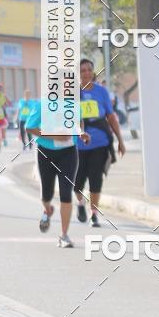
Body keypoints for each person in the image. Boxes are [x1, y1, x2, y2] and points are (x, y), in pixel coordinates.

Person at [25, 100, 90, 248]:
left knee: (66, 191)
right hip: (45, 152)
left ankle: (64, 235)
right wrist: (54, 136)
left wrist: (81, 134)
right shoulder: (41, 104)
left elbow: (77, 124)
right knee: (46, 194)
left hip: (68, 153)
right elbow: (30, 127)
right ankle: (48, 210)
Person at [75, 60, 126, 226]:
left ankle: (94, 213)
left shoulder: (102, 92)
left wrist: (120, 140)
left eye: (89, 70)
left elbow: (111, 117)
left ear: (93, 72)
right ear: (78, 74)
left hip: (100, 141)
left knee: (95, 178)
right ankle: (81, 203)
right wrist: (80, 131)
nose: (86, 73)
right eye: (82, 71)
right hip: (78, 145)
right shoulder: (72, 93)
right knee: (77, 182)